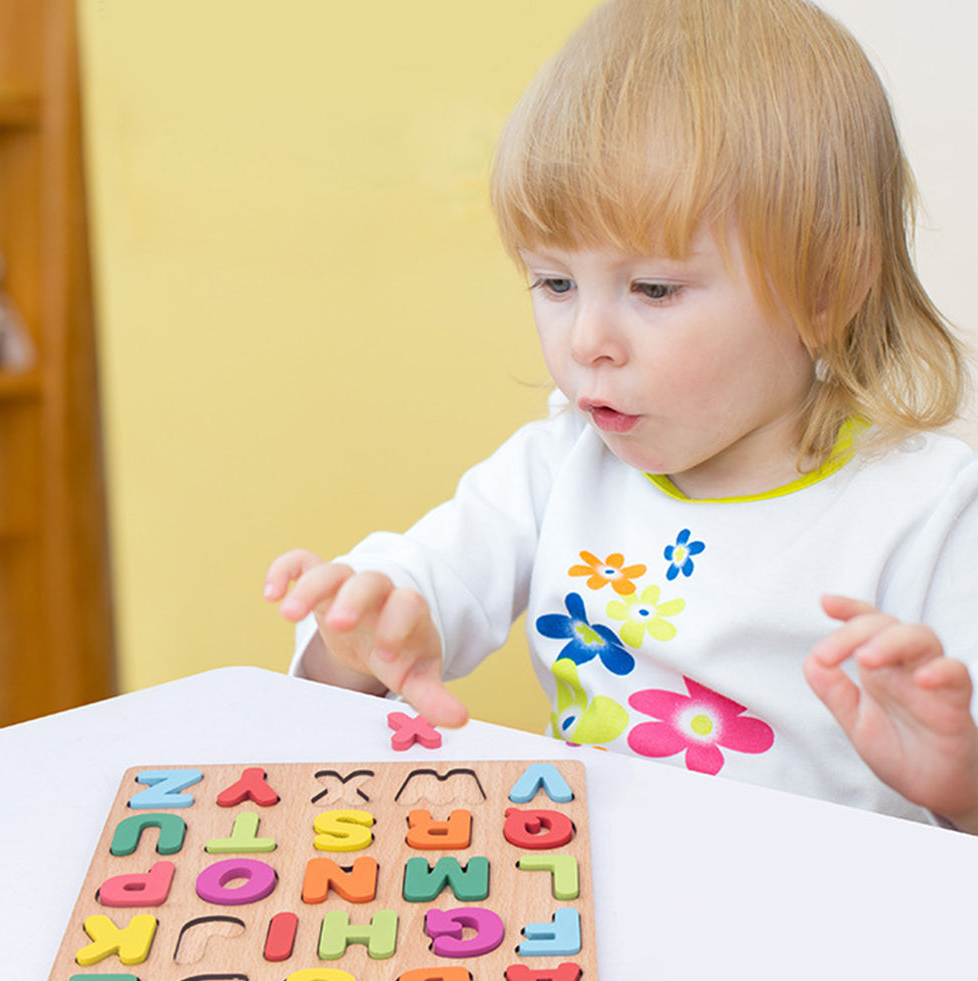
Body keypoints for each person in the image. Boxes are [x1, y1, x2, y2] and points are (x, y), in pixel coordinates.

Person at [264, 0, 978, 830]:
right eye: (554, 283)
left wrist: (960, 787)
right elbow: (408, 596)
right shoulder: (556, 469)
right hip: (590, 912)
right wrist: (358, 646)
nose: (588, 339)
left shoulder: (929, 512)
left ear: (825, 289)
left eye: (653, 289)